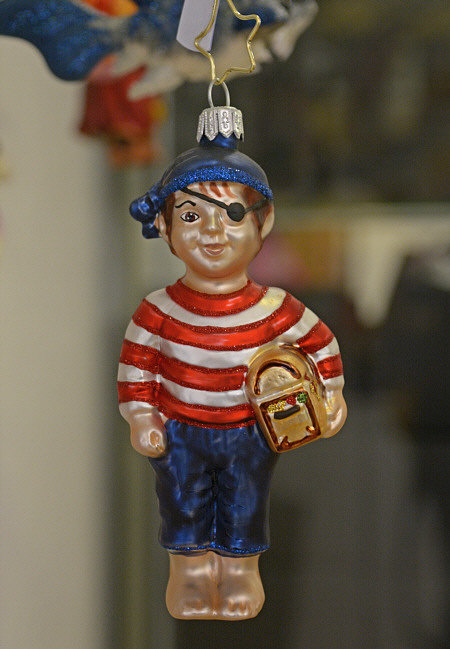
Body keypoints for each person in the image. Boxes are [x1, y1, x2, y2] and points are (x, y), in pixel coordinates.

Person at [117, 106, 346, 620]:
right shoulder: (157, 310)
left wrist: (331, 396)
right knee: (182, 500)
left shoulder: (276, 308)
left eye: (234, 215)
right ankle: (190, 573)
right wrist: (142, 416)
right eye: (191, 216)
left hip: (250, 430)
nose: (213, 232)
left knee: (245, 499)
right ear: (164, 227)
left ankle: (241, 570)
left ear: (264, 222)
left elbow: (322, 346)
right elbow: (136, 370)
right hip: (179, 430)